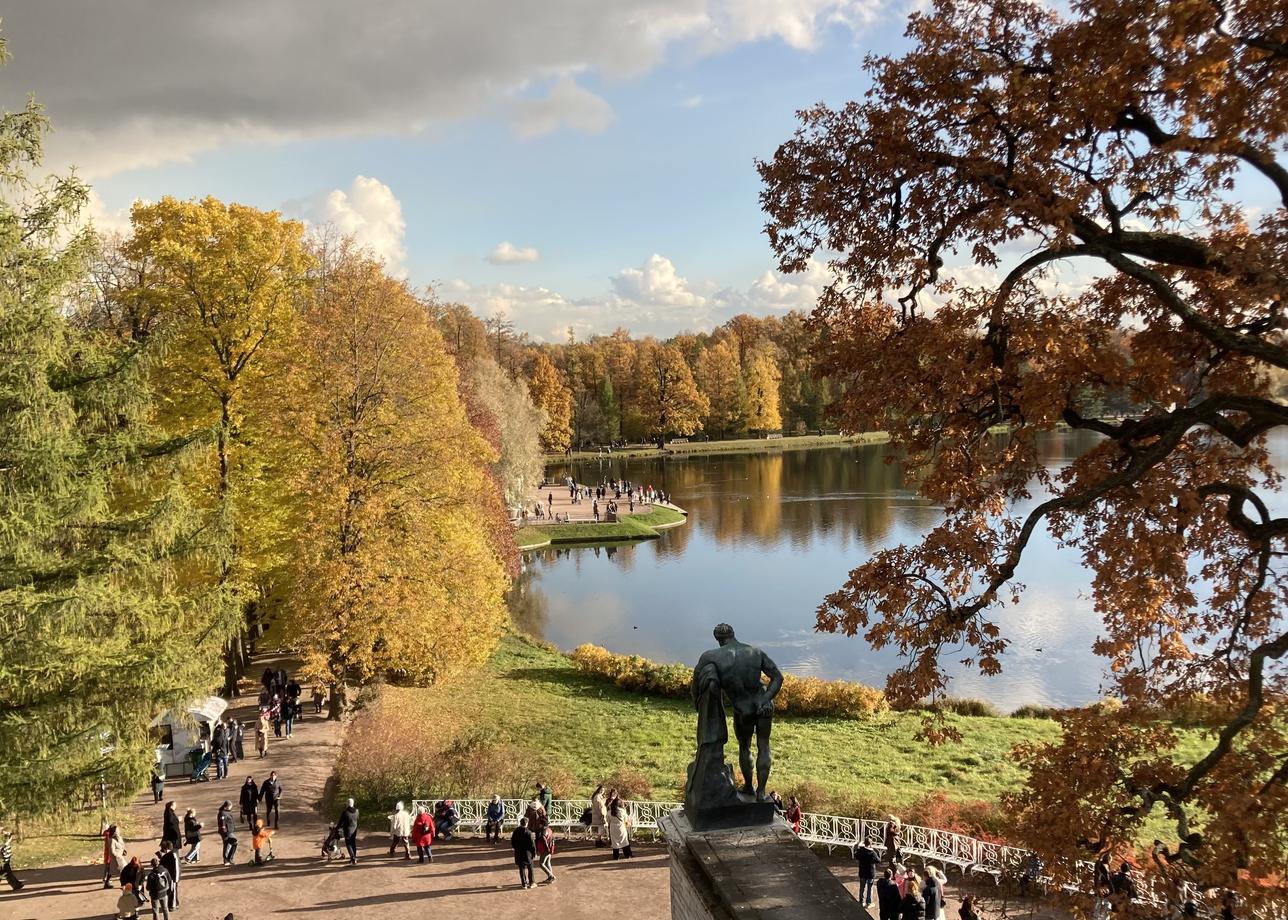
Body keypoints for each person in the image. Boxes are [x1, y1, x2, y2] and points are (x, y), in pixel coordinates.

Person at [510, 817, 537, 890]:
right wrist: (534, 853)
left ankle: (524, 884)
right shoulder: (529, 832)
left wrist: (515, 848)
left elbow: (512, 841)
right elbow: (532, 845)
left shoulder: (516, 831)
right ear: (527, 823)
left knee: (521, 869)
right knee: (530, 868)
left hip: (518, 853)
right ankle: (531, 883)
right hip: (527, 854)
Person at [855, 837, 880, 907]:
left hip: (862, 872)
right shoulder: (872, 853)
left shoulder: (860, 851)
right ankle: (869, 902)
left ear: (864, 843)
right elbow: (878, 860)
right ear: (871, 844)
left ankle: (861, 901)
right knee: (870, 888)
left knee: (862, 887)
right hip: (870, 873)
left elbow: (856, 856)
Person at [157, 840, 181, 912]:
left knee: (173, 891)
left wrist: (175, 879)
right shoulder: (169, 855)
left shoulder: (173, 855)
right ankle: (173, 904)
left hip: (173, 877)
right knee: (170, 891)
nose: (162, 851)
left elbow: (176, 868)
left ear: (166, 849)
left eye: (163, 849)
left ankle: (173, 905)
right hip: (169, 877)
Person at [608, 793, 633, 859]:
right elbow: (626, 819)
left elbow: (608, 820)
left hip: (613, 827)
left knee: (615, 842)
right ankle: (627, 854)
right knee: (624, 840)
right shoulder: (622, 811)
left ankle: (616, 856)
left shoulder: (610, 812)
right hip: (621, 826)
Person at [338, 798, 360, 864]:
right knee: (353, 843)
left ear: (347, 803)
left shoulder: (345, 812)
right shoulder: (357, 811)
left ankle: (353, 858)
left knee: (348, 844)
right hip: (354, 830)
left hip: (348, 830)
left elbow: (340, 822)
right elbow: (357, 819)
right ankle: (354, 857)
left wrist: (337, 828)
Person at [217, 800, 238, 866]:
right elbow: (222, 823)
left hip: (229, 831)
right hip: (226, 832)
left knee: (230, 844)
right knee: (230, 843)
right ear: (226, 806)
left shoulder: (227, 812)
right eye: (230, 806)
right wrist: (224, 832)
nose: (231, 808)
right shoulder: (222, 813)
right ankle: (227, 859)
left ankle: (228, 859)